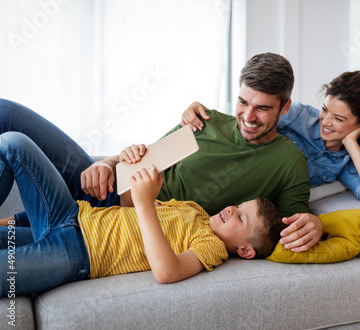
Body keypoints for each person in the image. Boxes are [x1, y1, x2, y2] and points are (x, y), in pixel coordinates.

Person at [0, 52, 323, 253]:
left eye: (263, 108)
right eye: (243, 102)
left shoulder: (289, 161)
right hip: (103, 182)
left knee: (9, 238)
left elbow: (288, 224)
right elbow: (143, 154)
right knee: (6, 114)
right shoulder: (206, 120)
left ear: (285, 108)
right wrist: (109, 162)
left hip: (118, 219)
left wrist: (317, 226)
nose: (248, 117)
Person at [0, 132, 285, 297]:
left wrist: (146, 203)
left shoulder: (212, 248)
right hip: (71, 214)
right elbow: (128, 202)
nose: (232, 209)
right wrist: (126, 163)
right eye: (240, 206)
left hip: (77, 251)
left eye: (241, 218)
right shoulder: (194, 210)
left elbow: (167, 272)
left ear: (245, 251)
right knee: (14, 144)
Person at [181, 71, 360, 204]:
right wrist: (196, 110)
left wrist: (350, 143)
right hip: (235, 172)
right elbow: (246, 125)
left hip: (257, 198)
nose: (325, 121)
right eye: (324, 109)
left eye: (338, 118)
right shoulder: (299, 116)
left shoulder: (345, 163)